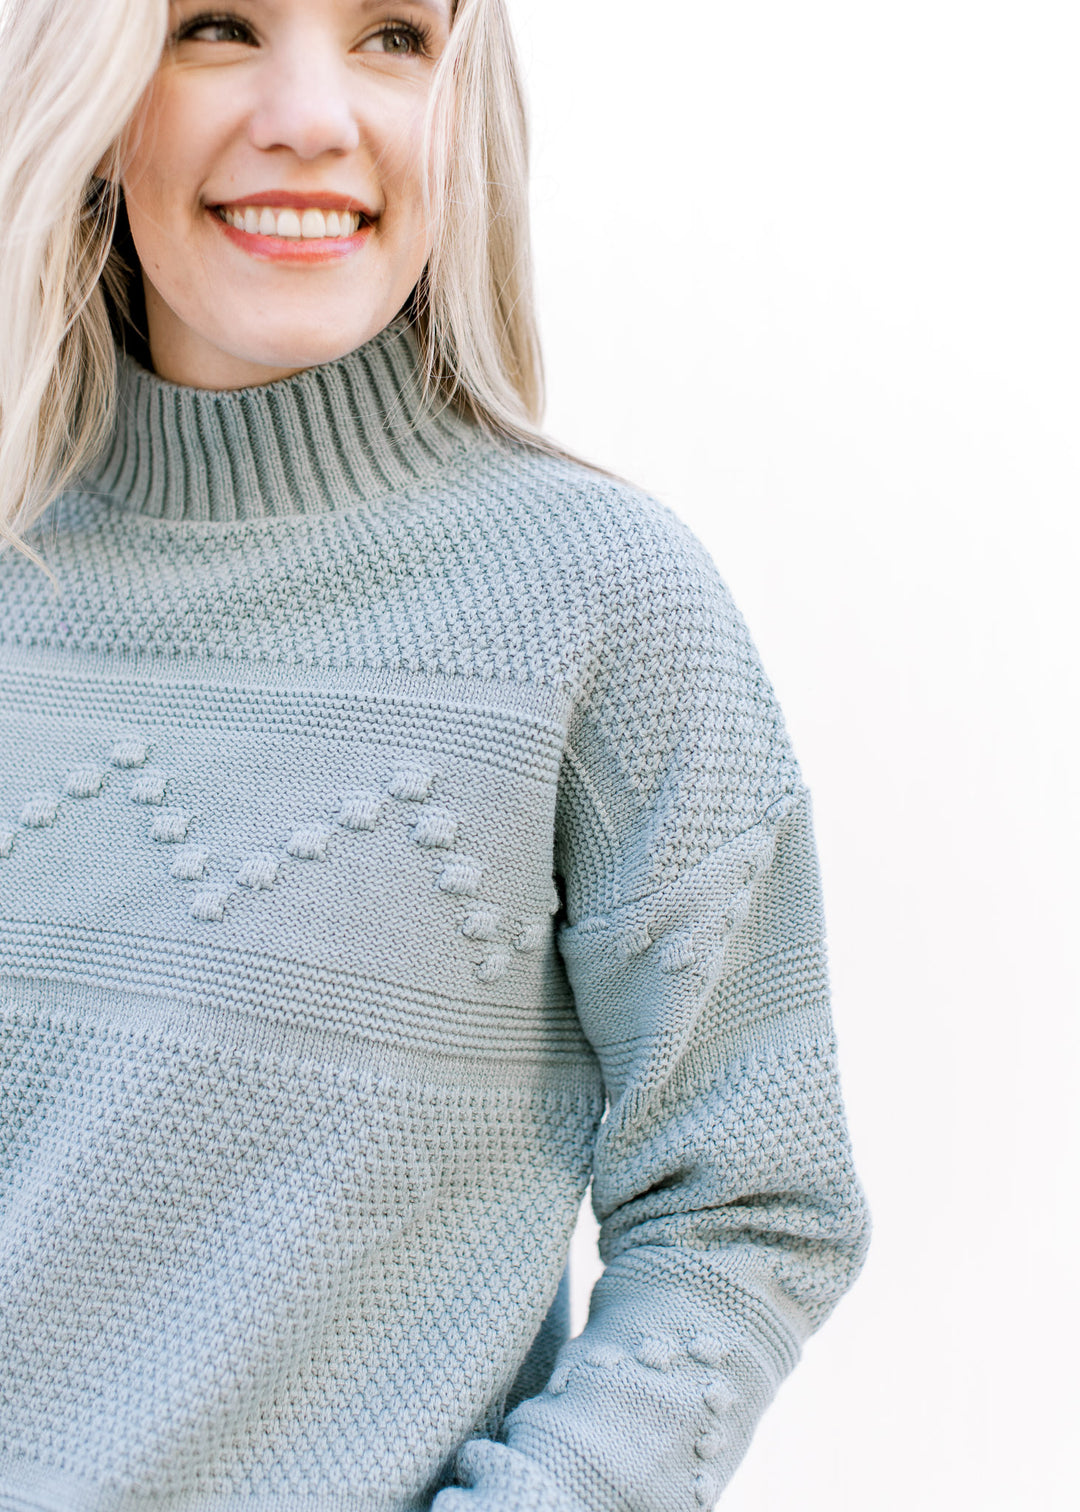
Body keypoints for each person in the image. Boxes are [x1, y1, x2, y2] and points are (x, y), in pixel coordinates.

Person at [0, 2, 872, 1508]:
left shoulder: (603, 602)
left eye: (394, 35)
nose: (312, 115)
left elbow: (754, 1206)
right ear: (94, 96)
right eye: (216, 25)